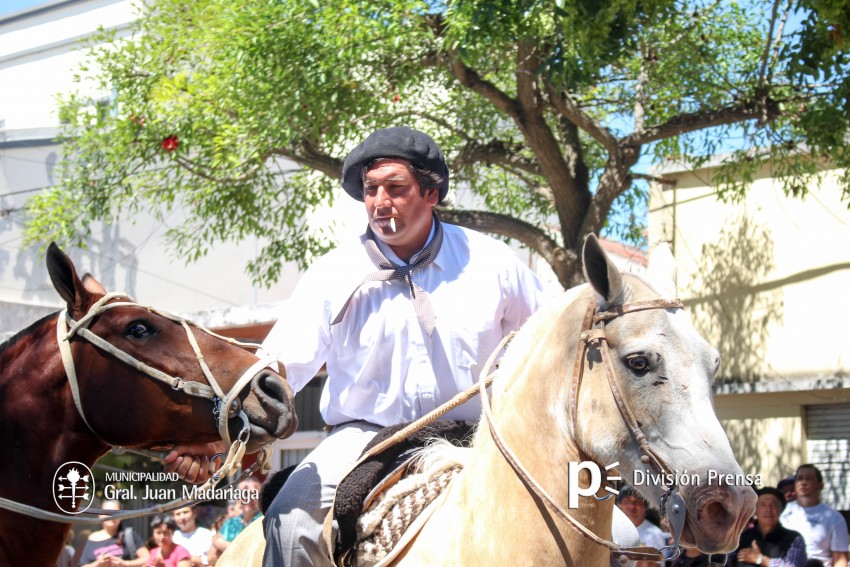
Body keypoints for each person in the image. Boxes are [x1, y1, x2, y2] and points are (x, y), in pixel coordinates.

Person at [250, 126, 547, 566]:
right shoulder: (332, 272)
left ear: (432, 193)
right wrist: (227, 424)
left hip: (482, 434)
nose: (380, 201)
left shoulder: (494, 262)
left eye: (396, 187)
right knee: (290, 524)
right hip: (364, 437)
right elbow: (279, 366)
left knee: (612, 528)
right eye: (371, 190)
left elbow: (548, 342)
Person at [779, 464, 849, 567]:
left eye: (809, 478)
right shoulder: (783, 513)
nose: (803, 482)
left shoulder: (835, 518)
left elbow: (840, 560)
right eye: (799, 479)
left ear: (821, 485)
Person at [731, 486, 807, 567]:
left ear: (781, 509)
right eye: (763, 504)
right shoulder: (740, 538)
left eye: (773, 505)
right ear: (754, 510)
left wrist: (761, 560)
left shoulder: (794, 539)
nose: (768, 509)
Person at [77, 500, 150, 566]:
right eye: (107, 512)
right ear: (100, 515)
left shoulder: (129, 535)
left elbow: (147, 558)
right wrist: (98, 564)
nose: (111, 516)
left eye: (115, 513)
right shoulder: (92, 538)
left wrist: (126, 564)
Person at [616, 485, 671, 566]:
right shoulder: (613, 530)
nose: (632, 506)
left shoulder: (655, 534)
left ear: (646, 507)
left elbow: (654, 565)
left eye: (637, 502)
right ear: (620, 505)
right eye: (627, 502)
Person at [211, 477, 262, 555]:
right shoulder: (230, 523)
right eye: (245, 494)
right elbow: (211, 558)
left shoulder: (266, 523)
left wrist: (220, 543)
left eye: (254, 494)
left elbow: (250, 554)